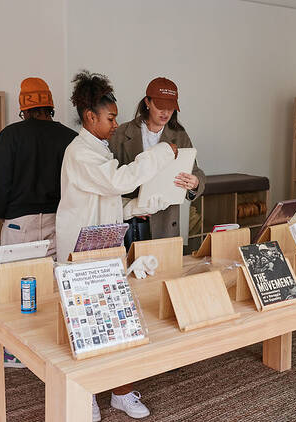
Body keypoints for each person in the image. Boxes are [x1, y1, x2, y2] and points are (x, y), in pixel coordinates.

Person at [56, 70, 177, 421]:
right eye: (109, 118)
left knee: (120, 320)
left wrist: (144, 205)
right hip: (83, 250)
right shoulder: (79, 153)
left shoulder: (97, 149)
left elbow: (111, 202)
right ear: (90, 117)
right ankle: (89, 394)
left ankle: (121, 392)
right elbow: (116, 181)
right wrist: (160, 156)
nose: (114, 124)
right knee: (87, 324)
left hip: (104, 246)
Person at [0, 77, 77, 368]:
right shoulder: (68, 137)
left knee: (15, 286)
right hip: (58, 219)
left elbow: (1, 182)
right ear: (50, 105)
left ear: (23, 108)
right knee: (52, 286)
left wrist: (3, 212)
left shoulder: (10, 135)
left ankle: (14, 352)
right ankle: (50, 347)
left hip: (19, 220)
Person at [109, 77, 205, 243]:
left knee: (165, 268)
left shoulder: (179, 135)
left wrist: (195, 183)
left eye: (171, 108)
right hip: (130, 220)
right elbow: (109, 178)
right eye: (160, 107)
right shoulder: (122, 132)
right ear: (147, 102)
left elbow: (195, 172)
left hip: (165, 221)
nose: (166, 113)